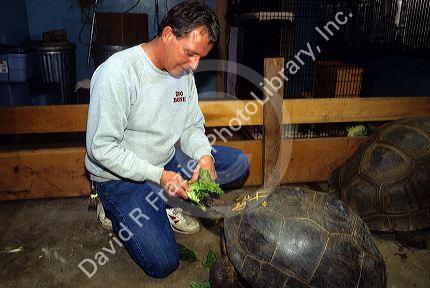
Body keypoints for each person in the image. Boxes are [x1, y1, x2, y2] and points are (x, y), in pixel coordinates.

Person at [85, 0, 249, 278]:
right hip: (119, 178)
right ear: (168, 35)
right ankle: (113, 204)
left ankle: (166, 198)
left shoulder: (183, 72)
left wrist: (203, 155)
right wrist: (159, 175)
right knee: (163, 263)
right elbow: (101, 148)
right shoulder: (118, 74)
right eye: (190, 53)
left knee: (237, 163)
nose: (194, 66)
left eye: (200, 57)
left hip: (164, 160)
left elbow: (191, 126)